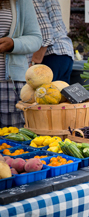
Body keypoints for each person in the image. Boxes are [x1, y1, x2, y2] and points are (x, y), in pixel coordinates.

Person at [0, 0, 42, 128]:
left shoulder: (21, 1)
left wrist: (14, 44)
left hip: (8, 85)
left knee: (12, 140)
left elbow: (36, 38)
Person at [30, 0, 74, 84]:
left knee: (45, 94)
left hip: (50, 54)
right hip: (64, 52)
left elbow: (45, 32)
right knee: (60, 93)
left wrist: (34, 62)